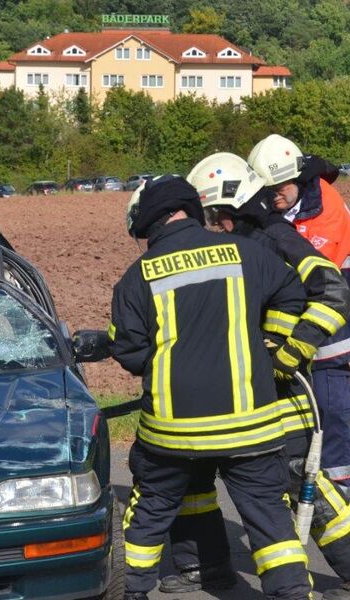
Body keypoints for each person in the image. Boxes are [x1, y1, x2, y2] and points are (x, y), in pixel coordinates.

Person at [110, 174, 311, 600]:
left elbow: (129, 352)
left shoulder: (137, 275)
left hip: (173, 430)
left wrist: (170, 365)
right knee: (270, 519)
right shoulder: (247, 252)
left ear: (148, 222)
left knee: (151, 511)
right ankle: (292, 593)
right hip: (251, 424)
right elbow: (293, 295)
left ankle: (134, 591)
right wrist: (270, 348)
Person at [161, 153, 350, 600]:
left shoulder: (275, 238)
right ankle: (204, 568)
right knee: (199, 470)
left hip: (279, 388)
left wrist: (291, 352)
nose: (212, 225)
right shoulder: (246, 238)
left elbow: (334, 291)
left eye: (213, 216)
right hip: (241, 385)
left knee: (296, 476)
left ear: (228, 206)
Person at [248, 135, 350, 492]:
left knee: (333, 412)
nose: (274, 195)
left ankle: (338, 490)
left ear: (299, 179)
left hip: (336, 334)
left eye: (280, 187)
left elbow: (322, 275)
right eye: (267, 189)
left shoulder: (325, 207)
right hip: (321, 329)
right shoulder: (287, 207)